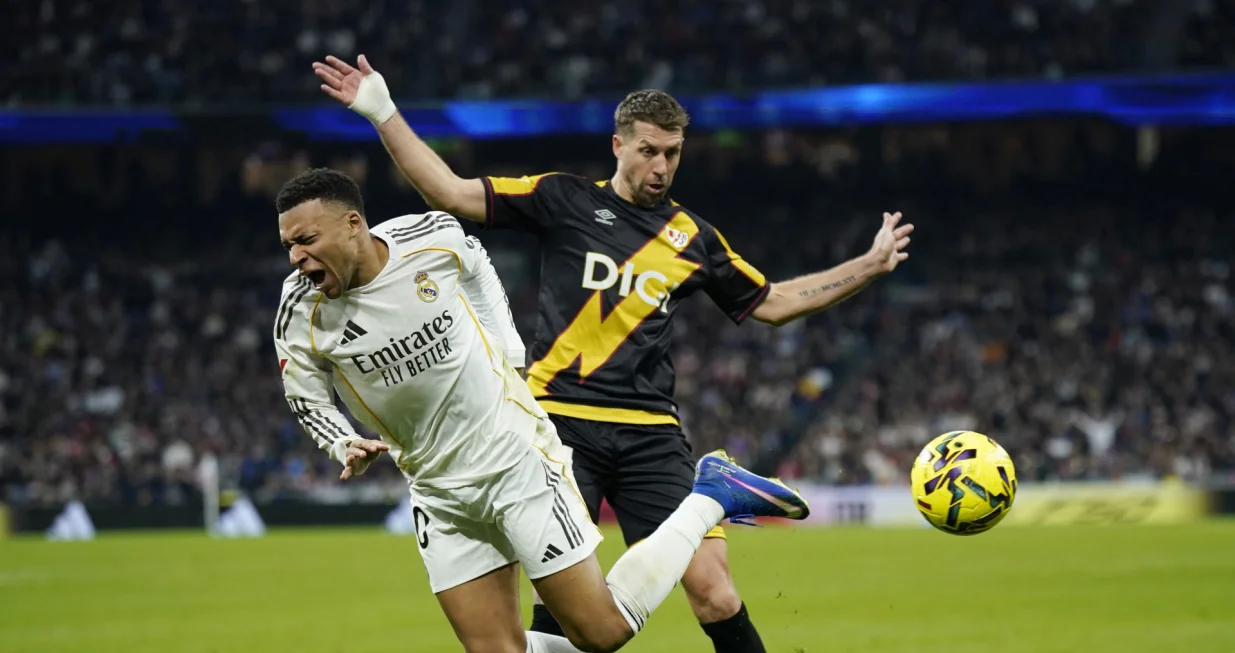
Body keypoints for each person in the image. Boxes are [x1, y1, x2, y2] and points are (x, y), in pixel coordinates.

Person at [313, 54, 912, 653]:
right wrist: (383, 111)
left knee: (715, 593)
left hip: (651, 432)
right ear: (618, 145)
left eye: (673, 153)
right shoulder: (562, 199)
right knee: (568, 614)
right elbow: (450, 192)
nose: (661, 166)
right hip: (558, 426)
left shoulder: (694, 238)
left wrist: (870, 263)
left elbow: (773, 302)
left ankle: (714, 490)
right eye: (649, 151)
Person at [271, 167, 811, 653]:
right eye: (289, 245)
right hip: (437, 489)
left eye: (306, 240)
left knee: (601, 632)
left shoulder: (428, 239)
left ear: (352, 224)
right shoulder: (299, 309)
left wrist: (508, 353)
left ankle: (709, 494)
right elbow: (305, 393)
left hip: (514, 459)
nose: (296, 257)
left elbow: (478, 265)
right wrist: (341, 441)